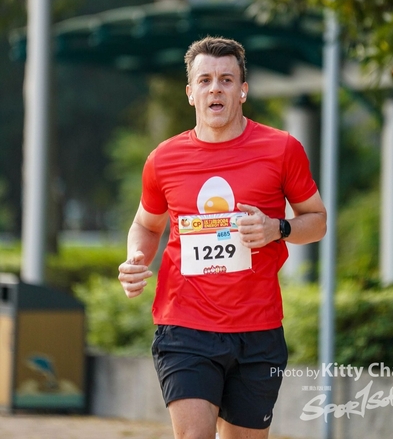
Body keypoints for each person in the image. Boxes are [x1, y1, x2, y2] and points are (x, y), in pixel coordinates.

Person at [118, 35, 326, 439]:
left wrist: (277, 228)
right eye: (205, 80)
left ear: (242, 91)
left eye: (227, 80)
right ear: (190, 93)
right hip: (184, 326)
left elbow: (316, 220)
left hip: (258, 330)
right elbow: (146, 224)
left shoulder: (282, 149)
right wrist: (135, 258)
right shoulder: (163, 159)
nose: (216, 88)